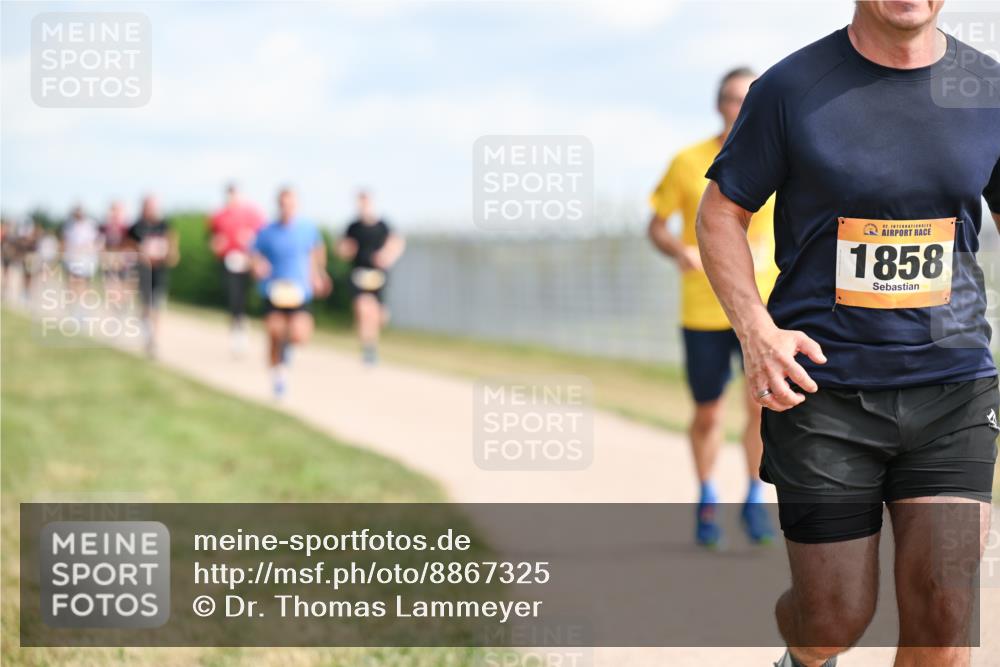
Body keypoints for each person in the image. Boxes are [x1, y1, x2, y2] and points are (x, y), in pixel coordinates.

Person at [697, 2, 1000, 666]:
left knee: (945, 613)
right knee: (832, 618)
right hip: (823, 390)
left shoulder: (989, 91)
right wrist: (756, 330)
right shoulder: (791, 89)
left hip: (953, 388)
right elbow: (721, 211)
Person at [647, 67, 779, 547]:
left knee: (762, 409)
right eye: (730, 98)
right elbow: (657, 225)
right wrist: (676, 249)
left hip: (763, 308)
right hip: (702, 309)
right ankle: (706, 494)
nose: (739, 107)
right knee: (708, 413)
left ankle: (754, 498)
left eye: (749, 98)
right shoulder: (687, 162)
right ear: (717, 104)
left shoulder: (782, 157)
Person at [251, 187, 331, 398]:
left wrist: (319, 274)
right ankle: (279, 376)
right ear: (278, 205)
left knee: (299, 335)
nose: (287, 207)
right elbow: (254, 254)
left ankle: (286, 352)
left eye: (291, 203)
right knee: (275, 332)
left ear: (296, 205)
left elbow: (317, 251)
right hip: (274, 289)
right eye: (283, 203)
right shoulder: (267, 231)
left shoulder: (308, 229)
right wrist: (258, 265)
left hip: (299, 291)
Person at [336, 190, 405, 365]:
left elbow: (397, 242)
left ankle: (371, 343)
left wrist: (387, 256)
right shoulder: (353, 227)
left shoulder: (383, 225)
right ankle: (368, 349)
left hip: (378, 276)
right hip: (359, 274)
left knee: (379, 316)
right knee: (364, 309)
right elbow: (342, 248)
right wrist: (346, 250)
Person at [209, 182, 264, 356]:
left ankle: (242, 324)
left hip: (248, 261)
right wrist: (217, 245)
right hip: (229, 261)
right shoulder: (219, 216)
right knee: (233, 297)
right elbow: (213, 239)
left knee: (244, 297)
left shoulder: (252, 214)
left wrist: (252, 246)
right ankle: (236, 330)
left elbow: (261, 237)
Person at [128, 195, 179, 358]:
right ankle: (146, 331)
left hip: (159, 270)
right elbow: (129, 246)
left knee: (157, 304)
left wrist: (172, 254)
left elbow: (172, 241)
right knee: (145, 303)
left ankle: (153, 339)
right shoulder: (136, 227)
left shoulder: (163, 226)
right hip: (143, 270)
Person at [61, 205, 103, 319]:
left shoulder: (90, 225)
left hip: (86, 260)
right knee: (72, 284)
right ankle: (72, 308)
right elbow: (66, 241)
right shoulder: (69, 225)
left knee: (83, 284)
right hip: (72, 259)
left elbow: (96, 242)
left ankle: (81, 309)